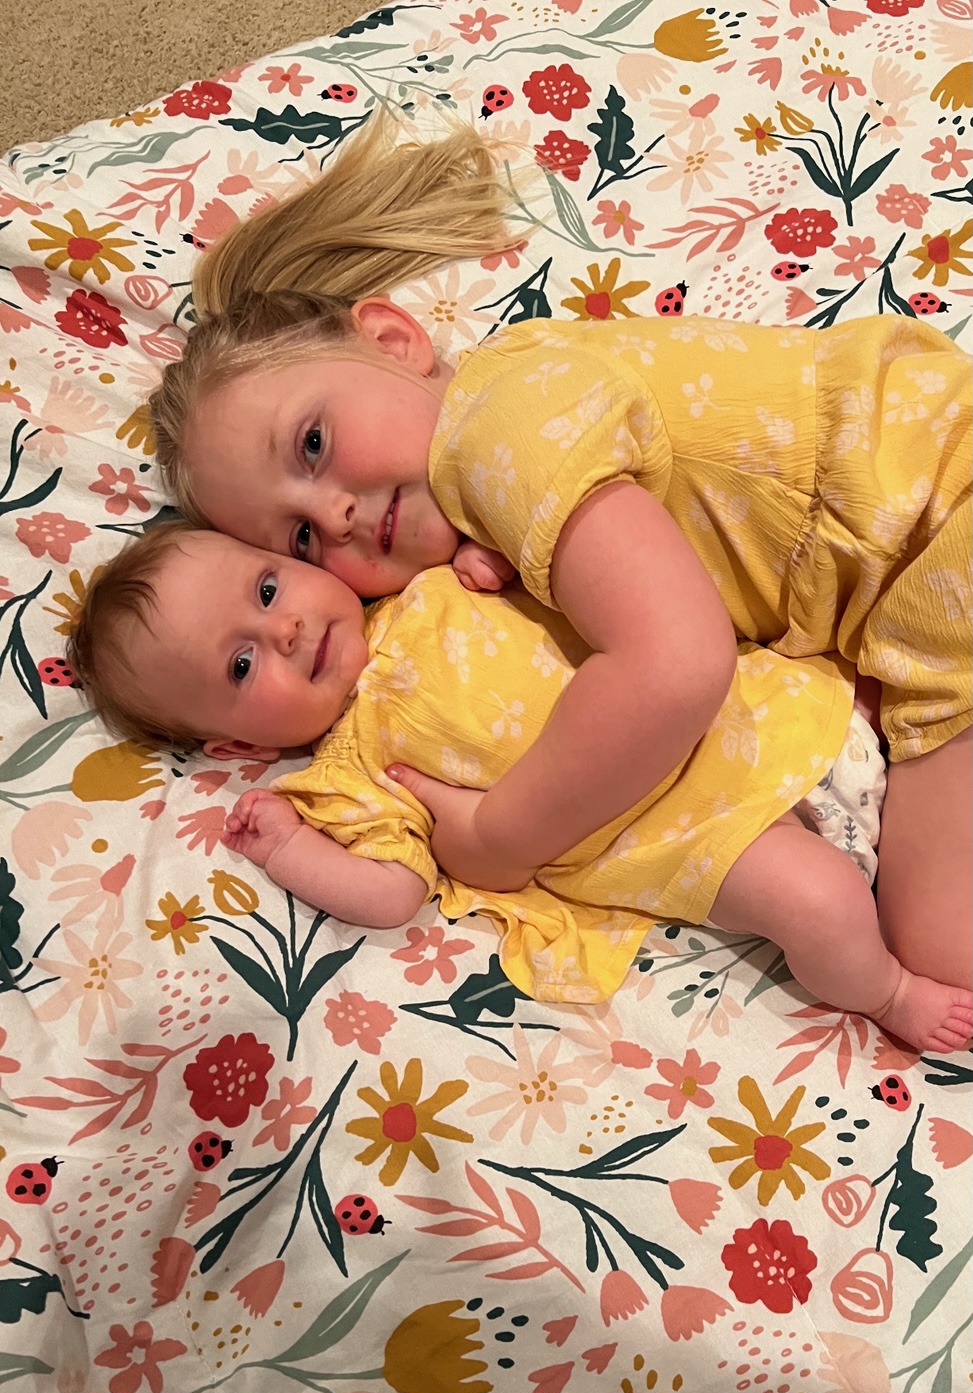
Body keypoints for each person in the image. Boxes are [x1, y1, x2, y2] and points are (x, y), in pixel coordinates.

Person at [146, 117, 973, 998]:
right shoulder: (520, 396)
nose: (335, 513)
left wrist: (502, 836)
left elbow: (675, 665)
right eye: (301, 539)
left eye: (312, 444)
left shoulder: (499, 437)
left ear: (393, 340)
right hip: (922, 516)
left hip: (936, 535)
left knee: (943, 952)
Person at [68, 522, 972, 1052]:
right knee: (819, 904)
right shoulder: (348, 775)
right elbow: (391, 893)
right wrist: (290, 849)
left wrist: (490, 556)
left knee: (900, 675)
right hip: (697, 835)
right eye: (240, 664)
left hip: (762, 710)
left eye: (267, 590)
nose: (287, 630)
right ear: (234, 742)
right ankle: (887, 993)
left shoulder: (428, 583)